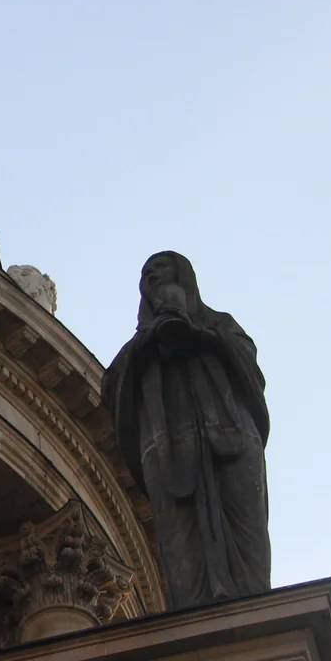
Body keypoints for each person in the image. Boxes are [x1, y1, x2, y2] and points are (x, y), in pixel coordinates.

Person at [103, 251, 270, 606]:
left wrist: (199, 336)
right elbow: (113, 389)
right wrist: (150, 343)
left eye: (160, 272)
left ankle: (254, 605)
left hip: (231, 437)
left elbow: (251, 373)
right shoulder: (135, 351)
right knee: (178, 537)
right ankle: (193, 608)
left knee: (246, 528)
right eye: (146, 275)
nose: (151, 279)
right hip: (167, 450)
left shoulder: (221, 325)